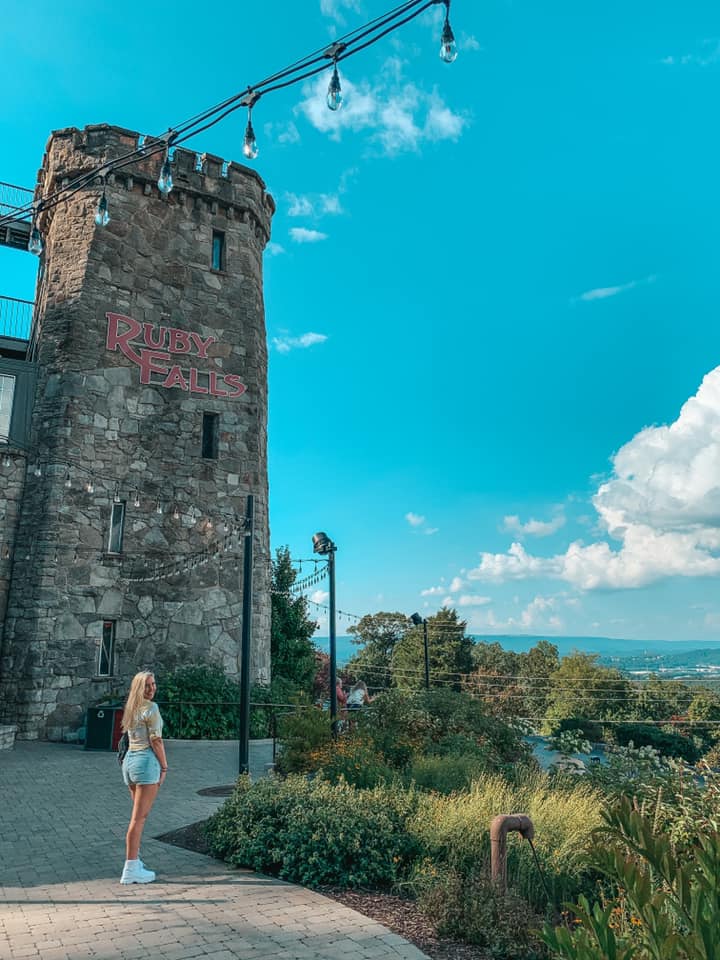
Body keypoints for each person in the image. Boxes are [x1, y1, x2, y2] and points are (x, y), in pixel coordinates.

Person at [119, 671, 167, 884]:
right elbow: (156, 741)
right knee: (139, 819)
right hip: (145, 762)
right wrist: (164, 767)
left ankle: (135, 861)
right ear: (139, 688)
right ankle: (130, 868)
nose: (152, 688)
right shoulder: (151, 708)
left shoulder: (132, 707)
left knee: (136, 816)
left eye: (153, 684)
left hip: (129, 763)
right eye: (147, 685)